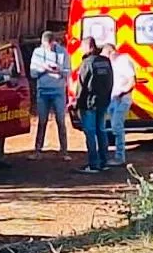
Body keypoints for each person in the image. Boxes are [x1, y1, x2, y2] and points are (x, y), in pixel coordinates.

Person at [28, 31, 71, 161]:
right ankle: (37, 150)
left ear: (53, 42)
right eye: (44, 45)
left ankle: (64, 151)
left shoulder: (63, 52)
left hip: (58, 90)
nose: (47, 47)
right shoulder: (37, 52)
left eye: (48, 45)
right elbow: (33, 73)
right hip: (43, 90)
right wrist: (44, 68)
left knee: (61, 120)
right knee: (42, 121)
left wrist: (59, 70)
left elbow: (68, 71)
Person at [75, 37, 113, 173]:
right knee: (101, 131)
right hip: (103, 102)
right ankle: (104, 162)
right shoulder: (106, 61)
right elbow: (110, 82)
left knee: (90, 133)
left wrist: (77, 103)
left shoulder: (87, 63)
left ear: (87, 47)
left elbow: (81, 85)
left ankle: (93, 164)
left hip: (89, 103)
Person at [102, 43, 135, 167]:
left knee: (117, 127)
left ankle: (120, 157)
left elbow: (132, 81)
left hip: (122, 99)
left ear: (111, 53)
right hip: (112, 99)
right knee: (108, 126)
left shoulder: (124, 61)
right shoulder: (111, 63)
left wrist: (122, 92)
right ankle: (109, 155)